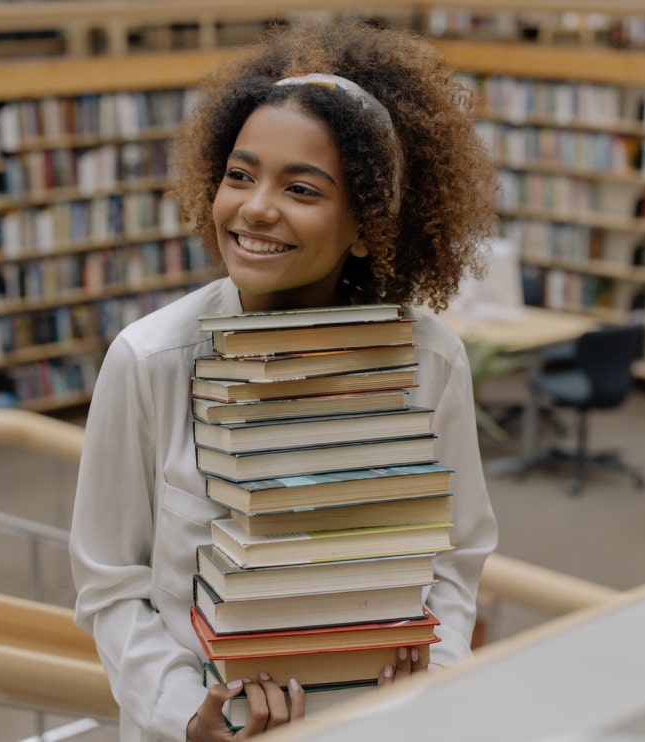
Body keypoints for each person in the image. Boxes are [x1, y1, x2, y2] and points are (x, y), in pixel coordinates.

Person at [70, 20, 499, 742]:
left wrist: (435, 674)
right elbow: (109, 584)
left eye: (301, 187)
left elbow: (457, 557)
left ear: (366, 226)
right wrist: (185, 718)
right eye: (240, 175)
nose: (257, 206)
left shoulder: (432, 362)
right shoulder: (149, 361)